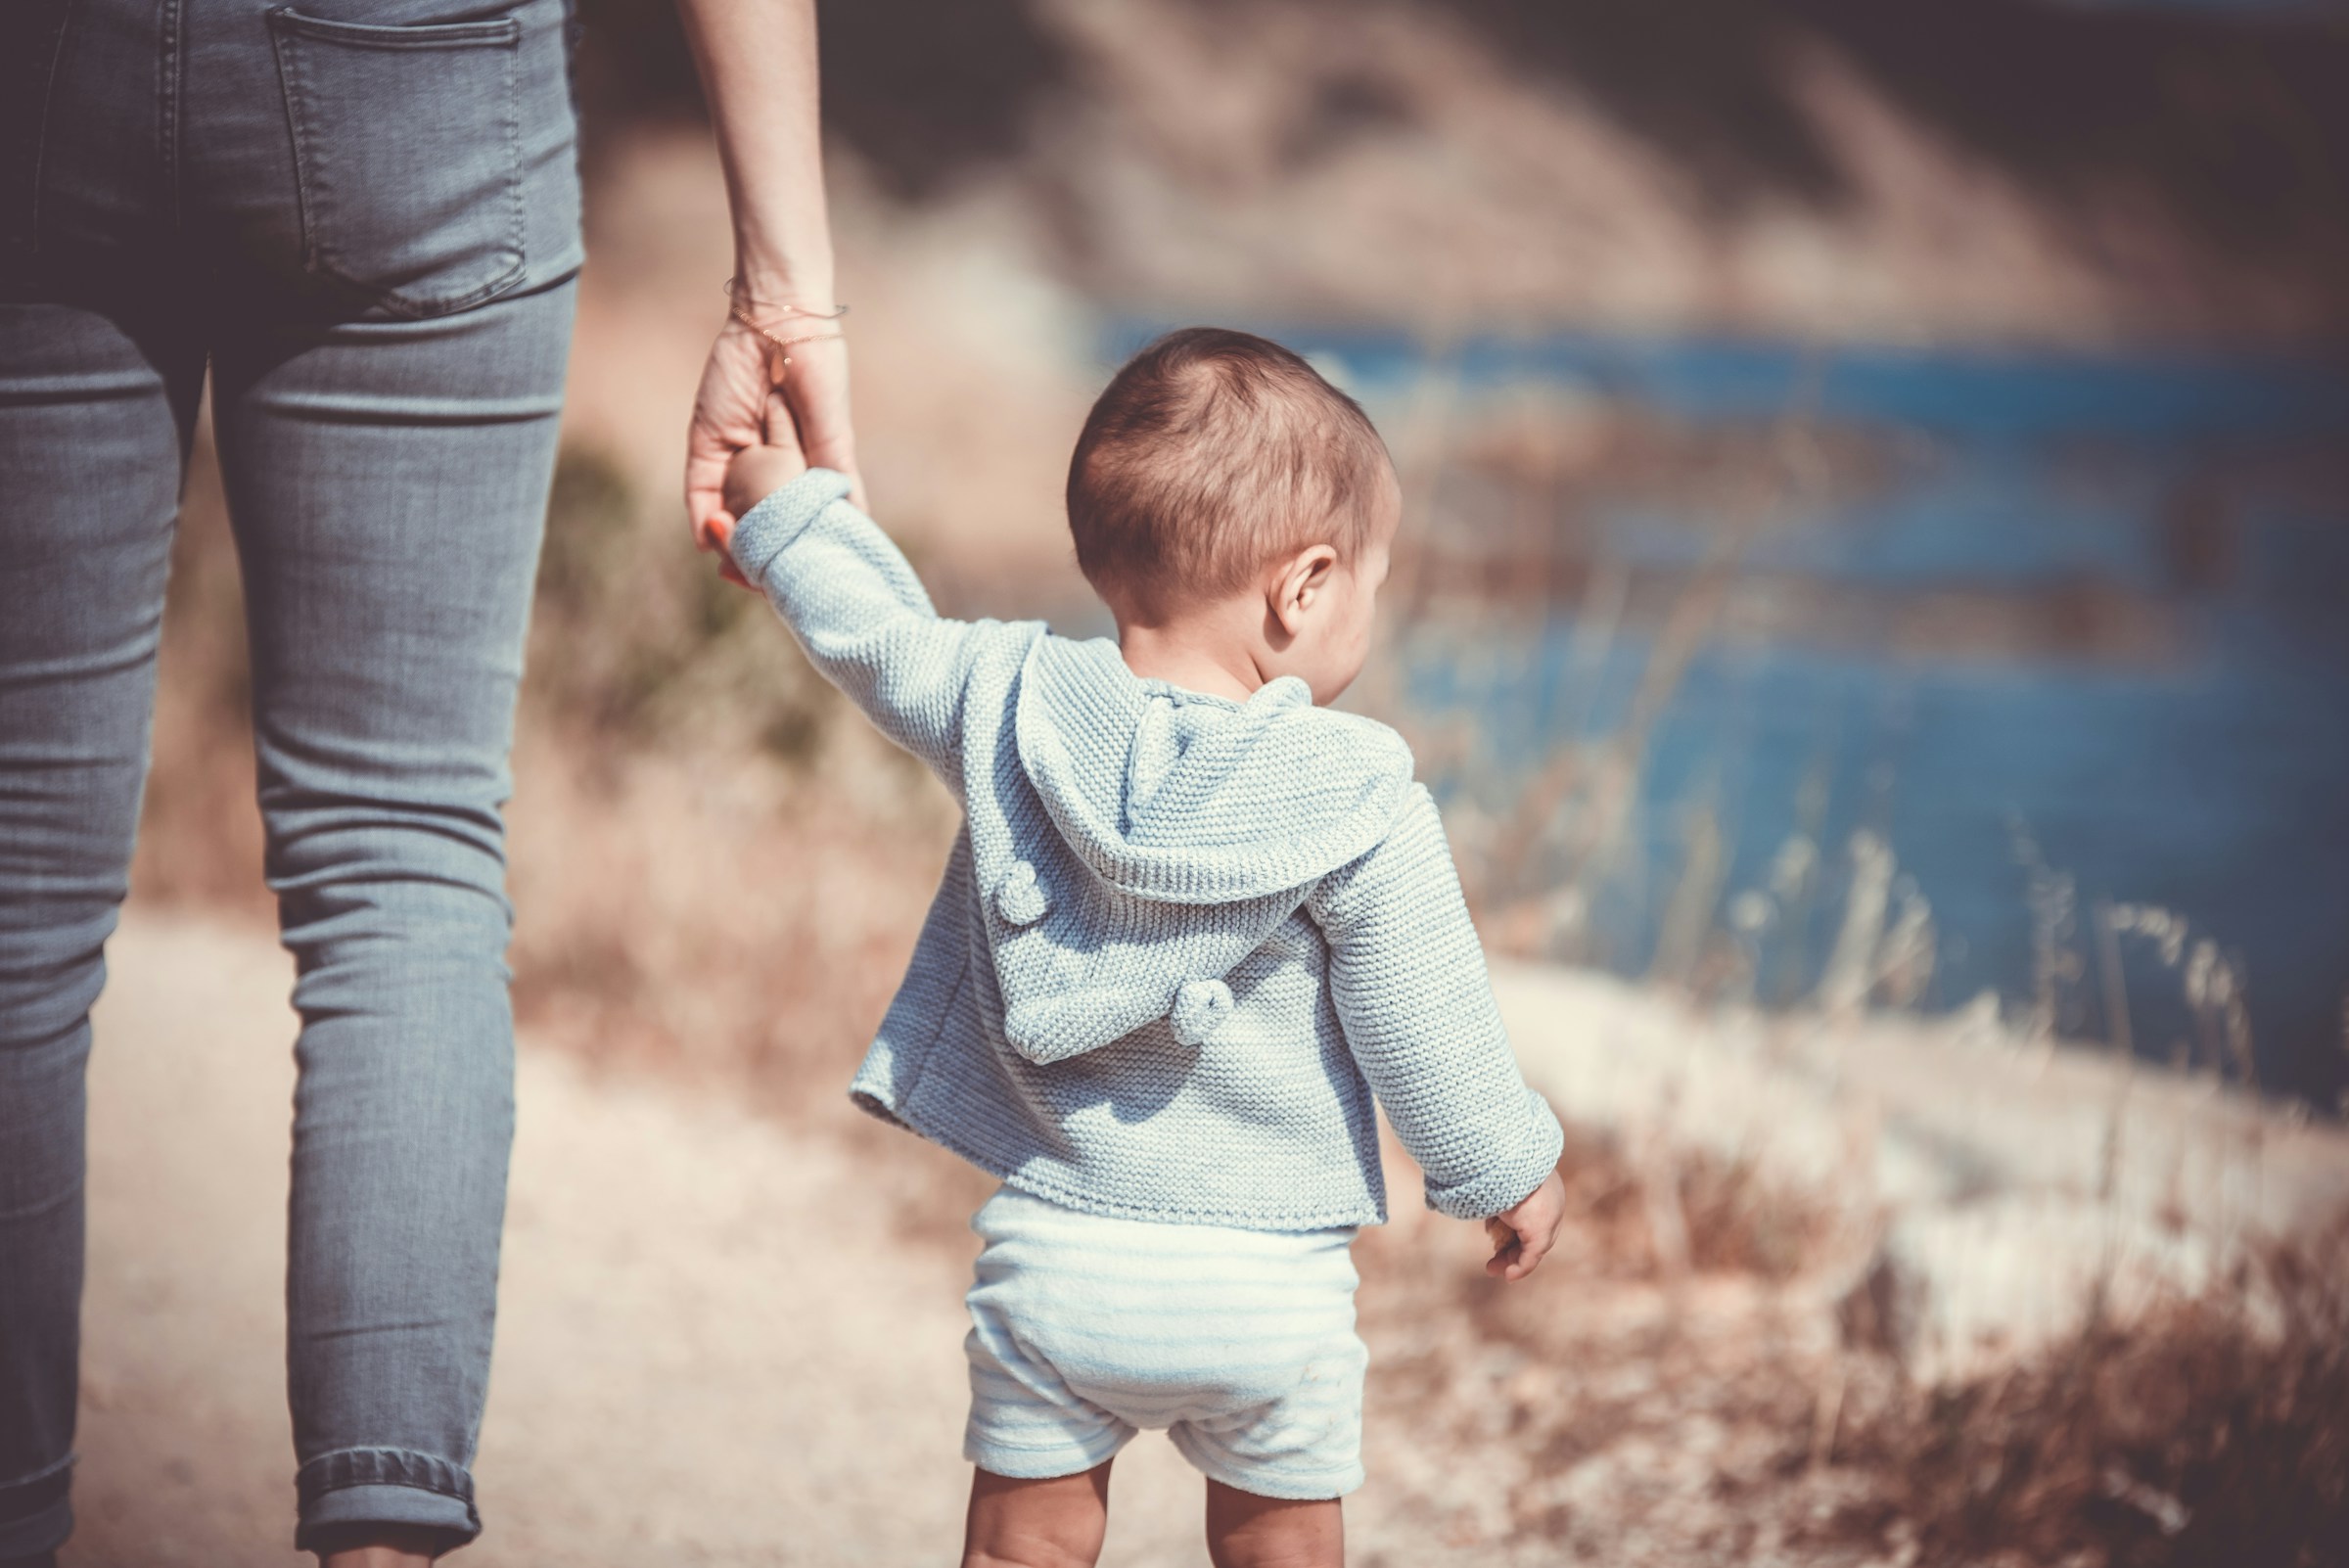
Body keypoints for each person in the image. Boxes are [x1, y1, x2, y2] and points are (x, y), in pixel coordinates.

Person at [0, 1, 847, 1563]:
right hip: (423, 74)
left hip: (51, 72)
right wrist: (785, 286)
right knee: (403, 858)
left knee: (15, 885)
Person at [711, 327, 1570, 1568]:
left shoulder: (1006, 700)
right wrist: (1505, 1170)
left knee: (1024, 1549)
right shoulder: (1354, 790)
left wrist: (779, 503)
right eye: (1375, 587)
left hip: (1060, 1255)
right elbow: (1425, 1017)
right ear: (1307, 585)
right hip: (1268, 1282)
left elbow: (875, 634)